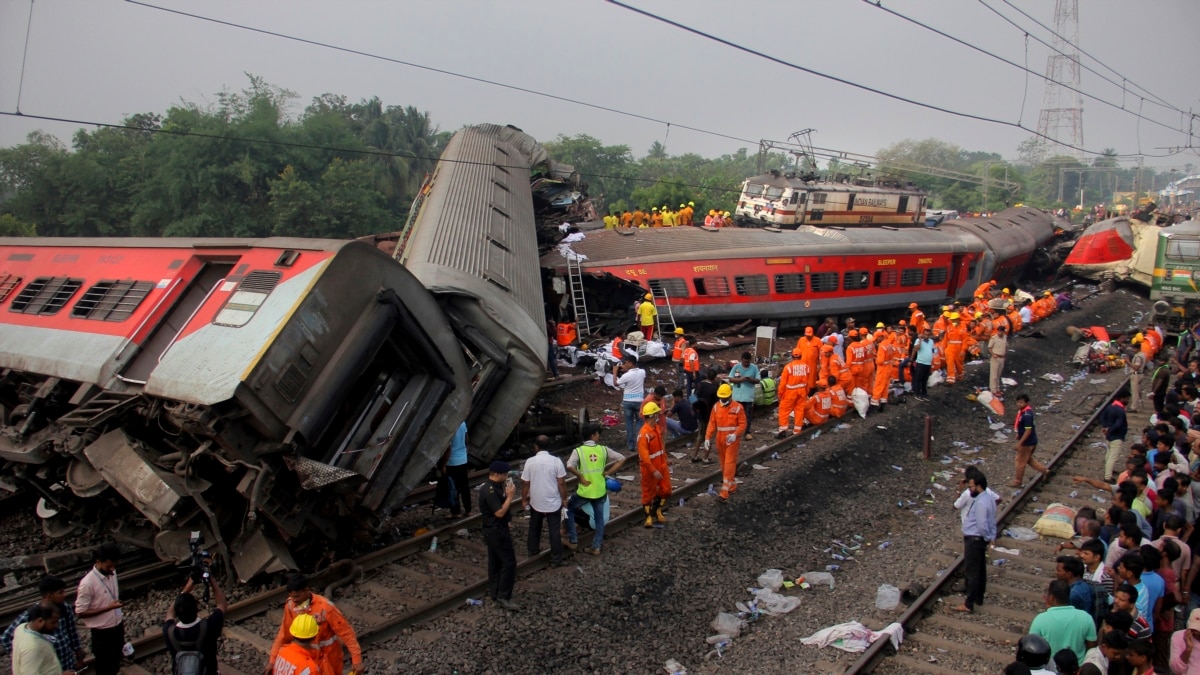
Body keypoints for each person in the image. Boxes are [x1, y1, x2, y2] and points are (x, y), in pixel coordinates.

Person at [268, 573, 363, 673]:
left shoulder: (325, 607)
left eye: (297, 596)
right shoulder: (291, 605)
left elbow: (346, 633)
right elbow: (284, 634)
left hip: (328, 660)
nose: (294, 600)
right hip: (307, 658)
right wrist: (272, 660)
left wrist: (357, 660)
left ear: (306, 590)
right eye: (291, 597)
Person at [565, 427, 626, 555]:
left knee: (569, 508)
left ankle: (573, 540)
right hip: (600, 490)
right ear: (593, 436)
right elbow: (621, 458)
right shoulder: (603, 449)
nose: (598, 436)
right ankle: (596, 547)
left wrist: (580, 476)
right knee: (599, 519)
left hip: (585, 491)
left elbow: (569, 465)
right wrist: (608, 472)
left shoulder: (578, 451)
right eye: (597, 434)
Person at [0, 576, 83, 672]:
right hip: (47, 668)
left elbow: (72, 633)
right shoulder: (33, 614)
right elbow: (6, 637)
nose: (64, 595)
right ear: (49, 595)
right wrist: (24, 655)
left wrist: (78, 653)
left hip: (67, 662)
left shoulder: (65, 608)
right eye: (60, 592)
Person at [75, 542, 125, 675]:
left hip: (117, 625)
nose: (112, 569)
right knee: (104, 667)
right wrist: (108, 607)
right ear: (98, 561)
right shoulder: (87, 584)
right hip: (102, 633)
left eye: (114, 566)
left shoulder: (112, 572)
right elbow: (81, 612)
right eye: (109, 566)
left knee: (115, 662)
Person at [164, 574, 227, 675]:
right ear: (197, 609)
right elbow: (221, 604)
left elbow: (169, 614)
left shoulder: (170, 632)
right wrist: (211, 579)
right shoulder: (209, 626)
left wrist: (188, 587)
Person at [521, 436, 568, 568]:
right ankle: (557, 559)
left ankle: (533, 551)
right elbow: (562, 483)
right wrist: (564, 498)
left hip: (536, 500)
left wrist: (524, 499)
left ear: (536, 447)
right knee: (554, 530)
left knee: (534, 527)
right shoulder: (556, 462)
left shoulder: (530, 462)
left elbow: (525, 483)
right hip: (553, 501)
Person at [954, 471, 997, 613]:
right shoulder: (989, 498)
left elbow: (982, 524)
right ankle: (979, 597)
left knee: (972, 572)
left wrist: (985, 537)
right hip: (979, 539)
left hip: (974, 539)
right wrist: (991, 537)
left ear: (978, 486)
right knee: (980, 570)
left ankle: (969, 603)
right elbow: (992, 522)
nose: (970, 489)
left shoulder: (981, 503)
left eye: (971, 486)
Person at [479, 461, 519, 611]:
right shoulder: (490, 491)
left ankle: (495, 592)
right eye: (505, 474)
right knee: (509, 563)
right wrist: (510, 497)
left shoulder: (492, 487)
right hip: (497, 531)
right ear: (497, 474)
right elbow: (499, 512)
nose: (506, 477)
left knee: (495, 562)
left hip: (493, 529)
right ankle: (504, 596)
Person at [1029, 579, 1098, 662]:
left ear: (1051, 597)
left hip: (1050, 669)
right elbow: (1092, 649)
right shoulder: (1086, 618)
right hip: (1077, 669)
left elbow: (1032, 647)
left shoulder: (1040, 620)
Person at [704, 383, 747, 502]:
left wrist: (735, 434)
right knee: (723, 464)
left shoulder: (738, 407)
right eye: (721, 397)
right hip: (720, 438)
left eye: (724, 397)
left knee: (729, 464)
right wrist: (707, 438)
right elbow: (712, 423)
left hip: (731, 440)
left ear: (730, 396)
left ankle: (724, 491)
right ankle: (731, 485)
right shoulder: (716, 407)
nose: (722, 399)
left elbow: (743, 424)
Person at [11, 604, 76, 675]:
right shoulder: (32, 648)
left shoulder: (21, 628)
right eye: (53, 622)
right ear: (40, 621)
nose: (57, 626)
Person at [638, 401, 671, 527]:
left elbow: (661, 447)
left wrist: (665, 458)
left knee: (666, 490)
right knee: (648, 493)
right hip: (650, 469)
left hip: (661, 465)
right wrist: (653, 470)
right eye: (656, 414)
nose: (657, 416)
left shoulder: (656, 429)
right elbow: (645, 458)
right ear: (651, 416)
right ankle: (648, 517)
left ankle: (657, 510)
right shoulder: (644, 434)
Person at [435, 421, 471, 518]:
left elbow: (448, 449)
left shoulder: (449, 427)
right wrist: (465, 449)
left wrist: (443, 465)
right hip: (463, 460)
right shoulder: (463, 423)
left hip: (452, 462)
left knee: (453, 487)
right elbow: (466, 438)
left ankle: (456, 512)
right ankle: (468, 511)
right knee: (464, 487)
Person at [1012, 394, 1050, 487]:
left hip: (1027, 443)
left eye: (1021, 402)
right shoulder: (1024, 412)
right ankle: (1045, 471)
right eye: (1018, 402)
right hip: (1031, 441)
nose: (1019, 404)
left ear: (1026, 402)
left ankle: (1017, 481)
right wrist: (1019, 434)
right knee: (1028, 459)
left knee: (1020, 462)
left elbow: (1028, 430)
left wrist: (1020, 444)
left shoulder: (1027, 415)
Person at [776, 348, 810, 438]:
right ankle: (797, 430)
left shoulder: (788, 367)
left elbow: (783, 383)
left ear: (792, 356)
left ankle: (783, 430)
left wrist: (780, 394)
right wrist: (806, 392)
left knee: (784, 411)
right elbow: (807, 382)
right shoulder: (806, 367)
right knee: (799, 411)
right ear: (801, 356)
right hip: (802, 392)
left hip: (790, 393)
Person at [616, 356, 646, 452]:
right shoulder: (642, 372)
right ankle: (639, 443)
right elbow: (635, 376)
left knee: (629, 423)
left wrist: (614, 372)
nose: (624, 365)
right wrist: (626, 370)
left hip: (627, 402)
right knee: (639, 422)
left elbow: (616, 383)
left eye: (626, 363)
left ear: (631, 363)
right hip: (639, 401)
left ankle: (631, 445)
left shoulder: (626, 376)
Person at [1101, 390, 1131, 483]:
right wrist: (1110, 430)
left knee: (1109, 453)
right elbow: (1119, 424)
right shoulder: (1120, 410)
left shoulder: (1110, 406)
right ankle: (1107, 477)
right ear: (1122, 398)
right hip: (1117, 436)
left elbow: (1102, 417)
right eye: (1127, 399)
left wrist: (1106, 428)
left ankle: (1108, 470)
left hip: (1109, 435)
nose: (1127, 400)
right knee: (1113, 456)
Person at [728, 352, 759, 440]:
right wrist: (740, 379)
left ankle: (746, 432)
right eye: (744, 362)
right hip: (737, 397)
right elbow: (730, 378)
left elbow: (758, 380)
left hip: (748, 397)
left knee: (747, 416)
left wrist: (750, 379)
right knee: (734, 416)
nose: (746, 364)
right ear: (741, 360)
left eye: (747, 362)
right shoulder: (736, 367)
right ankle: (734, 432)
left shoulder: (754, 368)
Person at [690, 369, 718, 461]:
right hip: (710, 415)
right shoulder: (715, 387)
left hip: (700, 414)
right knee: (708, 436)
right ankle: (705, 458)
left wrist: (694, 410)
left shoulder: (701, 384)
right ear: (715, 378)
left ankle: (694, 456)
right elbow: (717, 402)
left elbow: (693, 397)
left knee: (700, 436)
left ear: (707, 376)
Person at [1171, 608, 1200, 674]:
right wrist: (1188, 649)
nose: (1196, 633)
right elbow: (1176, 670)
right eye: (1193, 629)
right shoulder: (1178, 636)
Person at [910, 327, 935, 401]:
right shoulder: (918, 340)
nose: (926, 336)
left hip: (928, 363)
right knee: (918, 379)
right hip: (920, 363)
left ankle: (924, 393)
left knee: (925, 380)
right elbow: (916, 349)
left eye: (928, 335)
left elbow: (932, 351)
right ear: (923, 334)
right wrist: (920, 340)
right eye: (925, 334)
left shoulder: (931, 341)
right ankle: (917, 393)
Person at [989, 324, 1009, 396]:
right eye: (999, 331)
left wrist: (1006, 354)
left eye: (1001, 332)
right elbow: (989, 348)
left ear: (1003, 332)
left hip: (1002, 358)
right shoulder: (994, 338)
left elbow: (1006, 347)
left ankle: (998, 389)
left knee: (998, 374)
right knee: (994, 375)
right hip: (996, 358)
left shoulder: (1005, 337)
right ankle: (993, 390)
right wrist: (993, 354)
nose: (1000, 333)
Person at [1128, 344, 1147, 414]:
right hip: (1140, 374)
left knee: (1135, 392)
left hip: (1136, 374)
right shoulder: (1143, 354)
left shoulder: (1138, 357)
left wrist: (1128, 362)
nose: (1133, 350)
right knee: (1138, 391)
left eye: (1134, 349)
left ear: (1138, 348)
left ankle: (1134, 408)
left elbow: (1136, 367)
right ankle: (1139, 405)